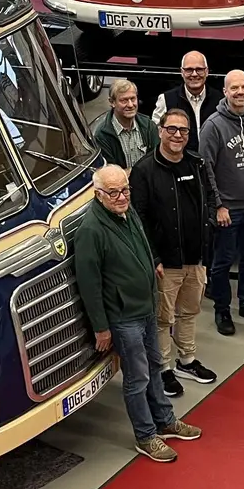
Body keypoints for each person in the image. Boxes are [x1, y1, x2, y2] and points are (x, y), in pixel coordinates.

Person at [72, 165, 202, 462]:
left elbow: (142, 243)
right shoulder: (91, 231)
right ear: (98, 194)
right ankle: (146, 436)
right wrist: (101, 328)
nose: (121, 197)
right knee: (137, 377)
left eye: (125, 189)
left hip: (144, 307)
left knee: (155, 365)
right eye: (114, 192)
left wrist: (152, 261)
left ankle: (165, 421)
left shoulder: (127, 214)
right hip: (123, 317)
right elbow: (90, 285)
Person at [130, 109, 220, 399]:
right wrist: (153, 256)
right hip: (164, 262)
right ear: (160, 130)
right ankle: (163, 368)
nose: (177, 135)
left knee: (189, 311)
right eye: (171, 129)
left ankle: (187, 361)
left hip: (194, 257)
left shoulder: (196, 163)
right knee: (162, 318)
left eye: (183, 130)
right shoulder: (144, 170)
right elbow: (138, 217)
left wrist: (206, 242)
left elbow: (207, 201)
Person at [199, 69, 244, 336]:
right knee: (223, 262)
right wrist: (218, 206)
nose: (240, 92)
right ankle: (222, 309)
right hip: (228, 209)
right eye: (234, 88)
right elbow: (206, 169)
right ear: (225, 92)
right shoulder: (213, 126)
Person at [152, 51, 218, 153]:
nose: (194, 74)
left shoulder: (220, 100)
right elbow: (156, 136)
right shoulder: (166, 99)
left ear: (207, 71)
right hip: (177, 165)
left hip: (213, 164)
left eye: (199, 69)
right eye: (189, 70)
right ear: (182, 72)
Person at [93, 78, 158, 169]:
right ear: (112, 102)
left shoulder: (149, 126)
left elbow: (156, 161)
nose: (130, 105)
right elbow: (110, 173)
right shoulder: (102, 135)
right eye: (124, 100)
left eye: (133, 99)